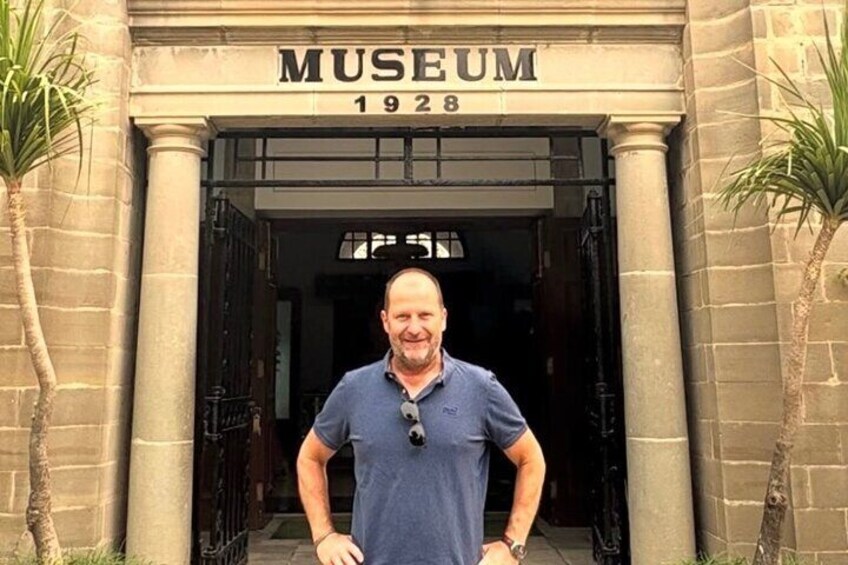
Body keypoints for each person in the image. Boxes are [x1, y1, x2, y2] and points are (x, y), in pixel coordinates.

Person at [297, 268, 546, 565]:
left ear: (443, 318)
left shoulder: (481, 388)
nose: (414, 328)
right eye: (402, 316)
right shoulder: (354, 389)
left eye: (425, 315)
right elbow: (310, 457)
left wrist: (512, 545)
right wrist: (324, 536)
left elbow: (531, 459)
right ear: (385, 321)